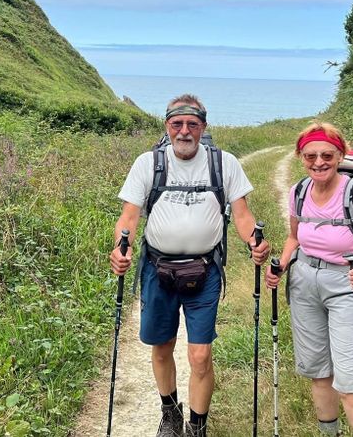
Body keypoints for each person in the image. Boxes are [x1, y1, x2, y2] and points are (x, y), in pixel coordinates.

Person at [110, 94, 270, 437]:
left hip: (205, 271)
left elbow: (242, 216)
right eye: (177, 124)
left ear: (203, 127)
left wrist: (254, 243)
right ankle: (170, 415)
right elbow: (129, 215)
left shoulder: (224, 164)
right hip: (157, 270)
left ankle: (197, 426)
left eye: (192, 125)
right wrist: (120, 248)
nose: (184, 132)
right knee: (162, 346)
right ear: (167, 126)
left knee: (200, 355)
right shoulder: (147, 163)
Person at [265, 121, 353, 437]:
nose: (318, 163)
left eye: (327, 155)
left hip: (346, 284)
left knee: (349, 380)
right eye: (310, 156)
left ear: (340, 154)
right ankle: (328, 432)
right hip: (304, 283)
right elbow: (295, 238)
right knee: (318, 372)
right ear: (300, 157)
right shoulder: (299, 192)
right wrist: (280, 264)